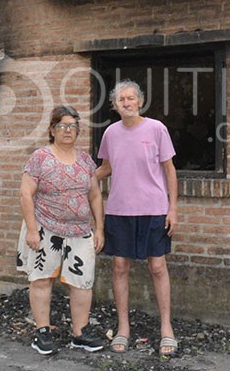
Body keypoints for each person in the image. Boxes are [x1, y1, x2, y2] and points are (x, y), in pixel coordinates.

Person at [96, 80, 179, 356]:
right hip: (119, 210)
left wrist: (173, 208)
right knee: (119, 266)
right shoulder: (110, 133)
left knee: (157, 267)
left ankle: (166, 329)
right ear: (115, 105)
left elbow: (170, 170)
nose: (127, 103)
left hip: (154, 209)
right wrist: (79, 178)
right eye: (121, 100)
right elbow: (106, 168)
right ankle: (123, 329)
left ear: (140, 101)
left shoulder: (157, 129)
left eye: (131, 98)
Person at [16, 105, 106, 355]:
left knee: (82, 282)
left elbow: (95, 196)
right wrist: (32, 230)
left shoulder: (86, 160)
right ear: (52, 130)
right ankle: (42, 332)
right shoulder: (40, 158)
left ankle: (80, 333)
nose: (68, 130)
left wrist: (99, 229)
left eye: (73, 126)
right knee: (42, 280)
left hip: (80, 232)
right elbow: (25, 194)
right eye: (62, 126)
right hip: (46, 228)